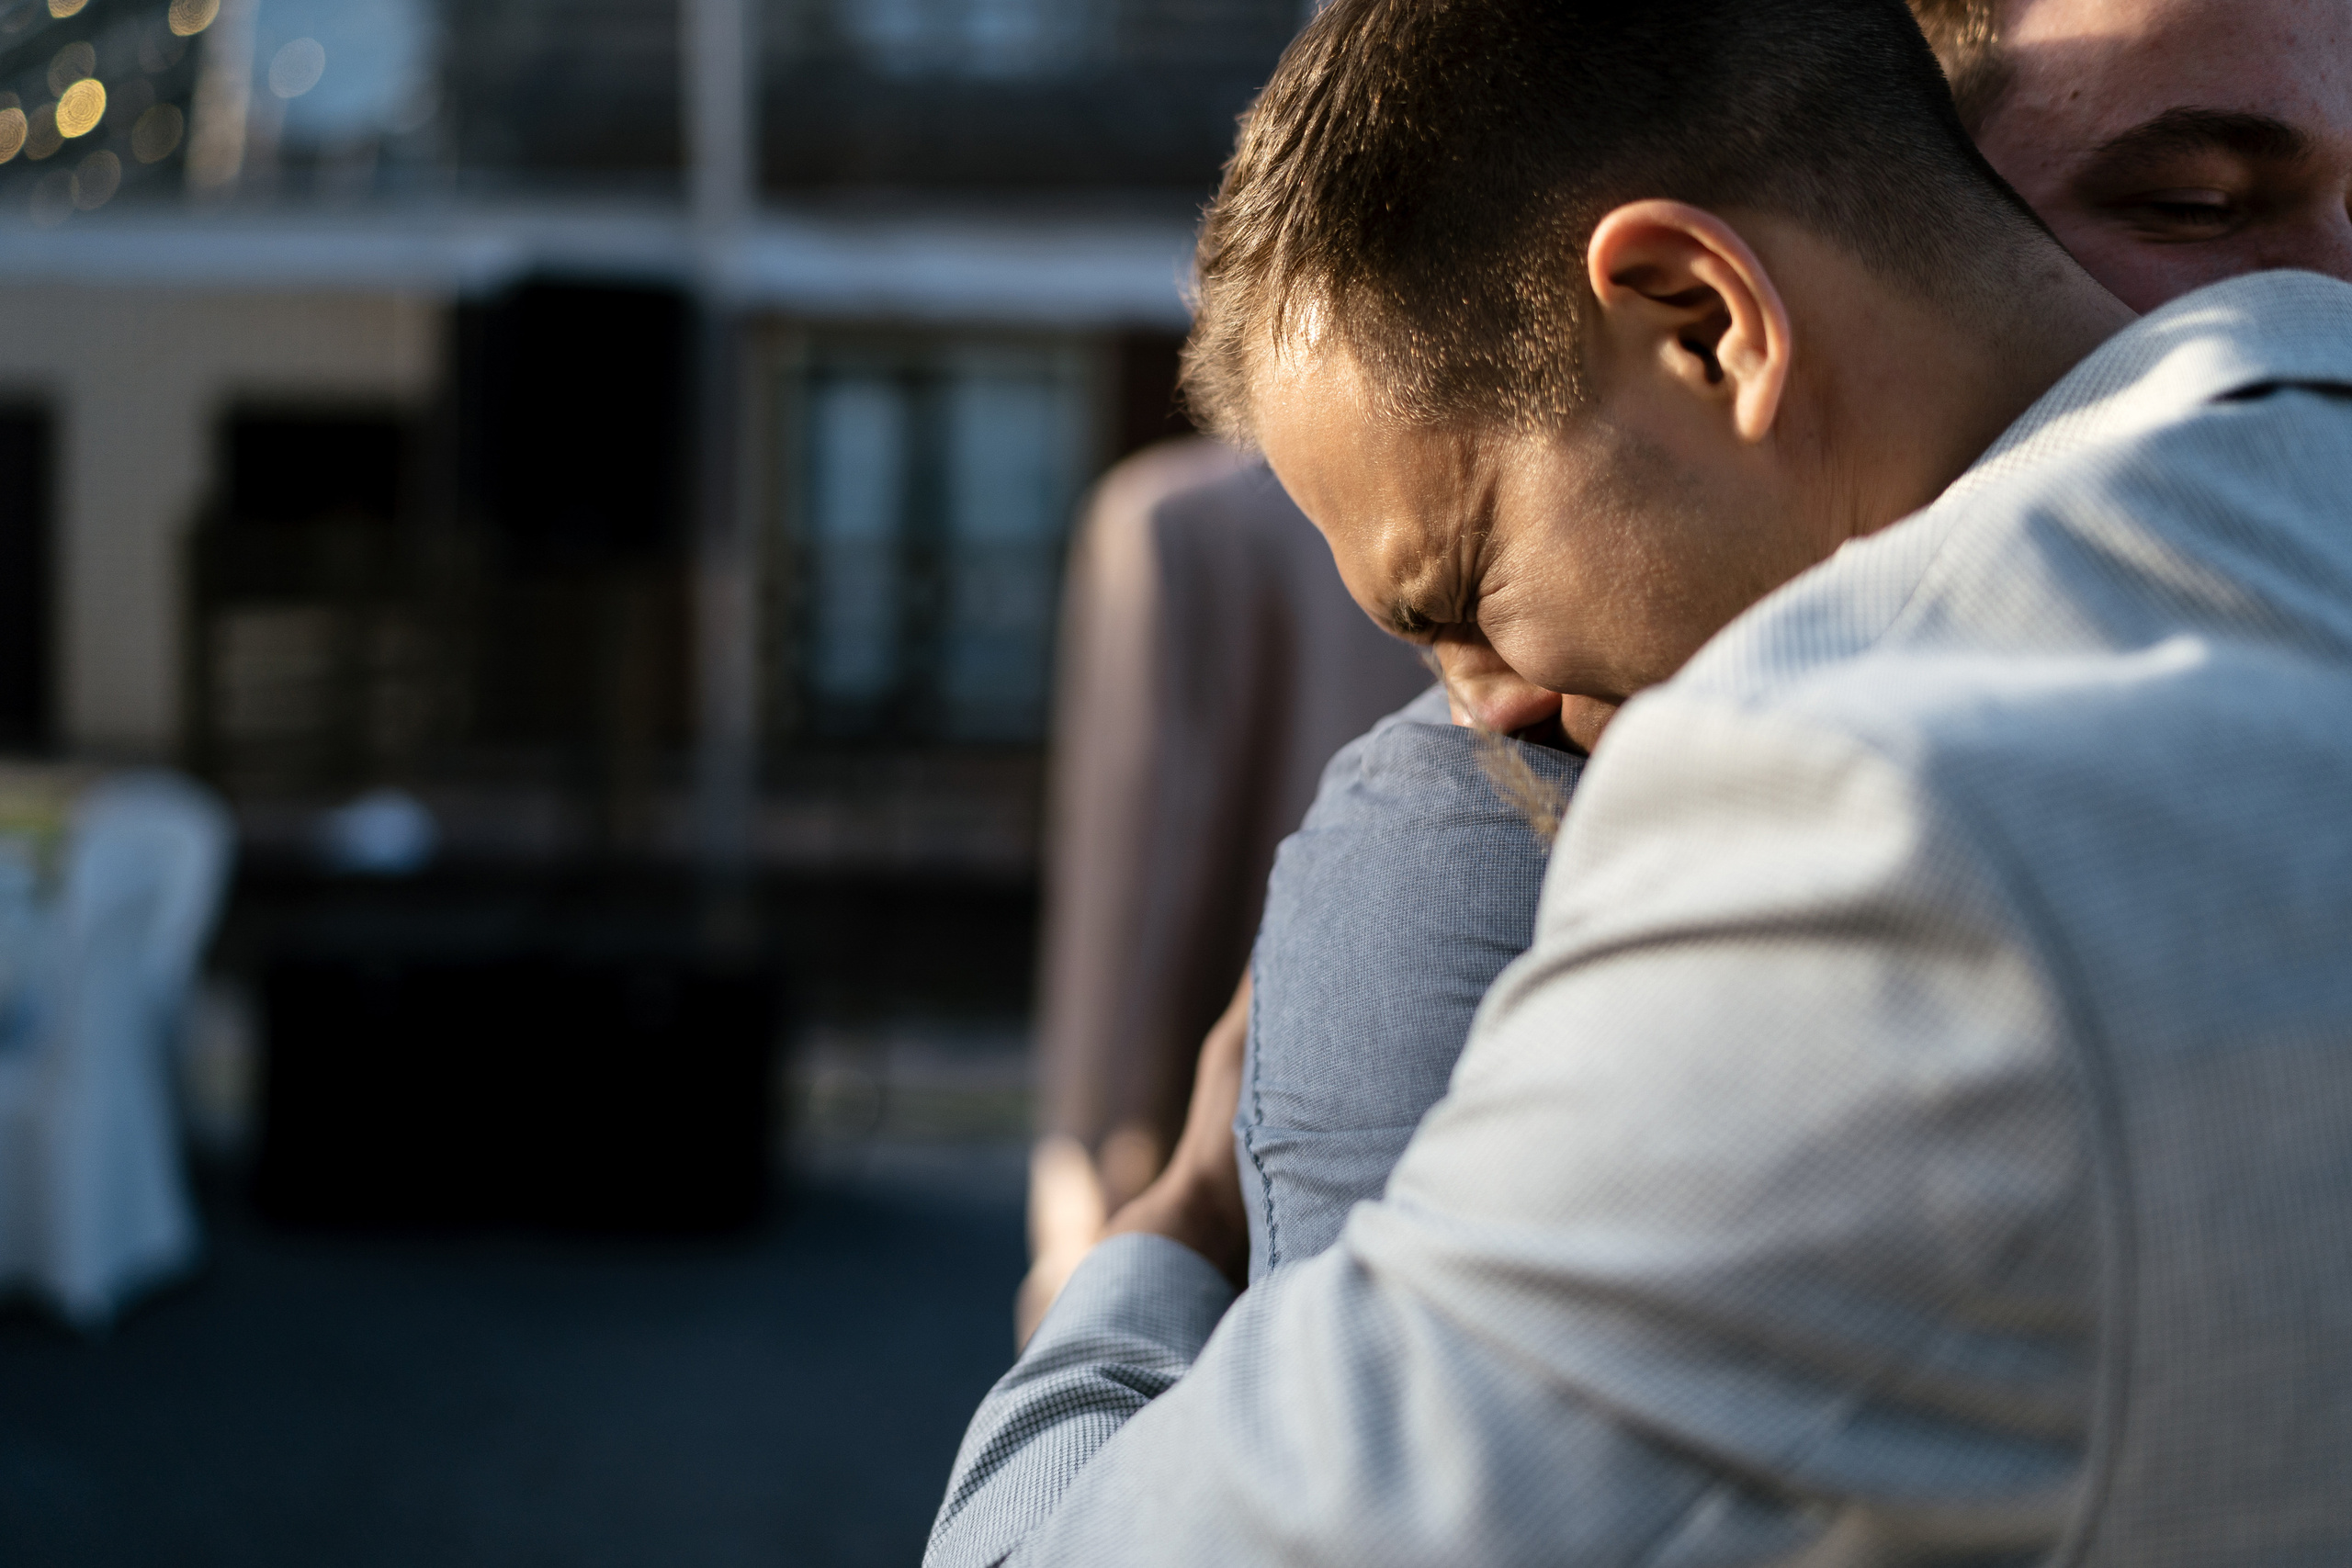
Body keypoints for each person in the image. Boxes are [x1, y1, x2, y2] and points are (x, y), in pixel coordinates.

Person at [929, 0, 2352, 1562]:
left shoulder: (1862, 850)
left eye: (1459, 588)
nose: (1487, 705)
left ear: (1702, 321)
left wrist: (1167, 1236)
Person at [1229, 0, 2352, 1288]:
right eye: (2196, 204)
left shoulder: (1875, 834)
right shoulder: (1494, 831)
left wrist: (1132, 1257)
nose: (2326, 307)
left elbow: (1316, 1488)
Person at [1026, 437, 1426, 1330]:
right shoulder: (1480, 480)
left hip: (1215, 1099)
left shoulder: (1167, 519)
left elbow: (1125, 879)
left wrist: (1090, 1139)